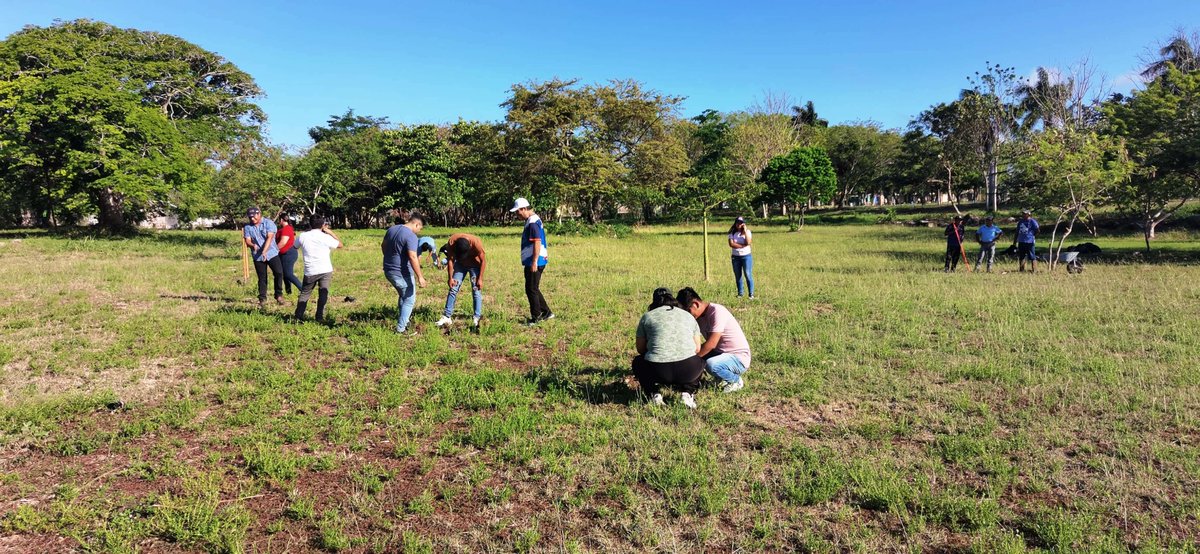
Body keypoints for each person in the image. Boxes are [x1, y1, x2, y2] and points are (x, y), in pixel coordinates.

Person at [633, 288, 705, 409]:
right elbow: (697, 349)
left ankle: (654, 394)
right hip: (688, 370)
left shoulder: (647, 317)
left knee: (638, 362)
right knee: (700, 361)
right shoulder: (688, 316)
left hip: (657, 370)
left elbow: (640, 349)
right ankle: (687, 393)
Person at [676, 287, 751, 393]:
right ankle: (720, 378)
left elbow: (711, 344)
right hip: (720, 353)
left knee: (711, 364)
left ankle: (735, 380)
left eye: (688, 311)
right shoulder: (698, 317)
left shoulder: (717, 311)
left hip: (738, 358)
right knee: (694, 357)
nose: (688, 316)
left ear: (696, 304)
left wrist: (693, 361)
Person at [382, 213, 429, 335]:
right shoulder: (411, 236)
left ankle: (405, 320)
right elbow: (413, 256)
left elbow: (383, 246)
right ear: (416, 224)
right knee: (409, 299)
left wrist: (389, 258)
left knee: (403, 295)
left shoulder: (392, 229)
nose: (419, 231)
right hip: (401, 272)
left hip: (388, 270)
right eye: (420, 228)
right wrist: (420, 277)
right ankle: (401, 329)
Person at [511, 198, 553, 325]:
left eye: (518, 212)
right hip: (534, 260)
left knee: (531, 289)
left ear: (524, 209)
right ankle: (547, 312)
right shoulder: (531, 220)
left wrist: (534, 261)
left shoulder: (533, 222)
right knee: (533, 287)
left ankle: (536, 317)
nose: (517, 215)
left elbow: (537, 242)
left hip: (536, 261)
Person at [294, 216, 342, 322]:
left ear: (310, 224)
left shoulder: (303, 236)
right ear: (322, 225)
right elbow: (340, 245)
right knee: (323, 293)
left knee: (305, 293)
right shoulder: (325, 237)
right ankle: (319, 317)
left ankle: (298, 316)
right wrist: (329, 232)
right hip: (325, 269)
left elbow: (295, 246)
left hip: (310, 270)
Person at [434, 234, 486, 329]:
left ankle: (477, 317)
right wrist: (450, 278)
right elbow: (450, 260)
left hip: (475, 266)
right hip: (460, 265)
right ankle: (447, 316)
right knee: (453, 288)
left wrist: (480, 278)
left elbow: (483, 260)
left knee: (476, 290)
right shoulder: (452, 242)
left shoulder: (476, 243)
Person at [242, 207, 284, 308]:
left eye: (254, 216)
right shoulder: (248, 227)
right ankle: (262, 299)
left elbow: (270, 238)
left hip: (271, 253)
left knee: (279, 272)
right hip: (257, 256)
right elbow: (247, 240)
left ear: (259, 214)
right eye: (250, 217)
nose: (252, 219)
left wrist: (264, 251)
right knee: (262, 278)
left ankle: (278, 295)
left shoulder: (268, 223)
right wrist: (253, 245)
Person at [275, 214, 304, 295]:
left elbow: (283, 242)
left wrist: (274, 250)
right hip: (284, 254)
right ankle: (288, 292)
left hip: (288, 253)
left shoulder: (287, 229)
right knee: (285, 274)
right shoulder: (283, 229)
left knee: (288, 274)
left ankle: (303, 290)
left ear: (281, 220)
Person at [728, 216, 755, 298]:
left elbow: (748, 242)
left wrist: (745, 230)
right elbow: (731, 244)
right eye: (738, 222)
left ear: (744, 224)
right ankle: (740, 293)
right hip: (735, 257)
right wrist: (742, 245)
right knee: (738, 275)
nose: (739, 224)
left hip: (746, 256)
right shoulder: (732, 232)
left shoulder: (748, 232)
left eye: (741, 223)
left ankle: (751, 294)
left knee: (748, 274)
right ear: (735, 223)